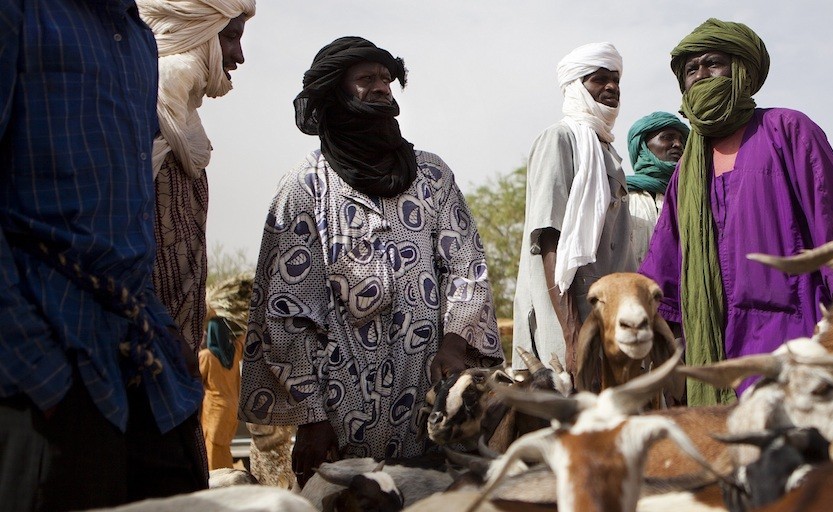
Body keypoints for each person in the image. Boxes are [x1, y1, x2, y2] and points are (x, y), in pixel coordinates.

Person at [238, 37, 503, 485]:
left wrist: (455, 341)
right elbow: (286, 313)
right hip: (341, 420)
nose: (383, 88)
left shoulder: (432, 175)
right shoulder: (304, 187)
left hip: (430, 403)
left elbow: (466, 265)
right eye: (366, 80)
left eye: (386, 79)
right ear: (335, 97)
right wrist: (312, 417)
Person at [1, 2, 206, 509]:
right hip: (42, 365)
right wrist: (36, 369)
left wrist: (162, 327)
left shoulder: (136, 39)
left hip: (137, 354)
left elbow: (122, 223)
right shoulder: (22, 14)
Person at [639, 19, 833, 405]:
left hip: (795, 328)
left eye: (713, 63)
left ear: (742, 69)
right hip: (713, 339)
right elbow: (666, 256)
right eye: (691, 70)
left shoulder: (788, 129)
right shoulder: (688, 168)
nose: (701, 75)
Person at [139, 0, 255, 356]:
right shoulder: (139, 119)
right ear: (199, 34)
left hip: (175, 360)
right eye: (230, 37)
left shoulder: (185, 129)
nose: (239, 56)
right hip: (138, 352)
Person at [511, 42, 635, 371]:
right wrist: (571, 333)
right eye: (599, 79)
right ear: (577, 87)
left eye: (616, 80)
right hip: (570, 314)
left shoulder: (606, 151)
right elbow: (548, 234)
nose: (612, 87)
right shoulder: (560, 139)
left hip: (614, 312)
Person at [199, 273, 253, 470]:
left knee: (213, 454)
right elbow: (244, 336)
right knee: (224, 451)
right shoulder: (234, 352)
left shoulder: (206, 357)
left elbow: (195, 383)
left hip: (215, 412)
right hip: (231, 411)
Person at [626, 112, 689, 266]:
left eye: (681, 140)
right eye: (668, 137)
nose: (678, 145)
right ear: (642, 146)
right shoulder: (622, 196)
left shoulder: (692, 198)